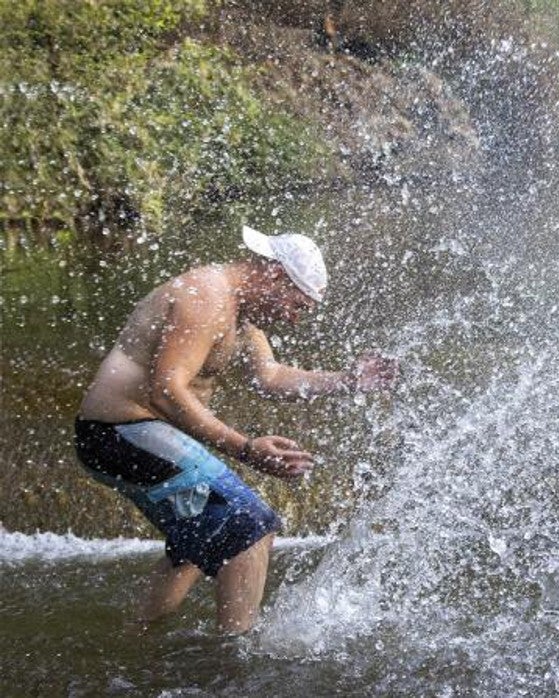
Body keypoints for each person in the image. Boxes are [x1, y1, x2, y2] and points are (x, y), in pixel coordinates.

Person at [74, 225, 398, 634]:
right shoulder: (207, 295)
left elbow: (270, 376)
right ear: (277, 275)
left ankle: (133, 638)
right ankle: (235, 661)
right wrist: (245, 448)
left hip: (131, 434)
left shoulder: (241, 312)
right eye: (297, 306)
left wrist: (347, 381)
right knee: (250, 525)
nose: (293, 320)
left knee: (201, 539)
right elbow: (165, 391)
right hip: (118, 431)